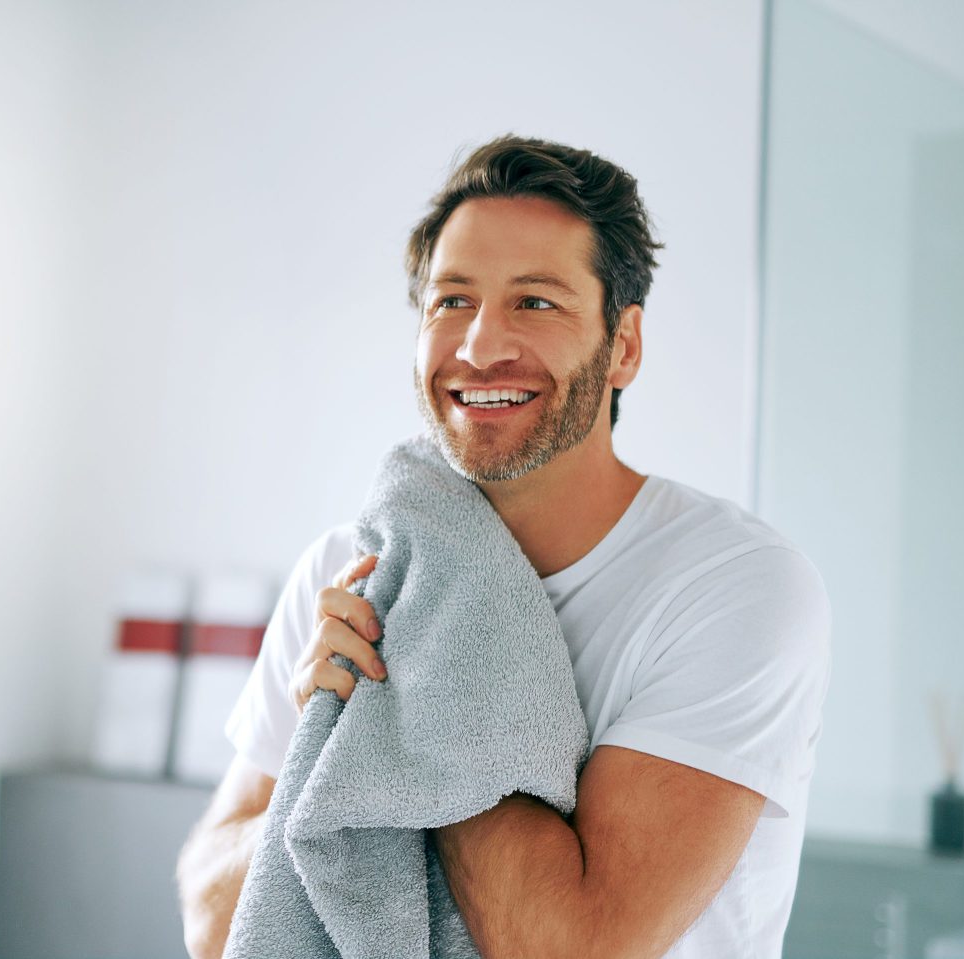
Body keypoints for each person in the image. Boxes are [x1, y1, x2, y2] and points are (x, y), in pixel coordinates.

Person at [175, 135, 831, 959]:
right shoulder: (350, 568)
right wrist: (333, 742)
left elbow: (567, 947)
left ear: (623, 345)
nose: (481, 346)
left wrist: (420, 673)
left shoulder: (733, 589)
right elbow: (209, 919)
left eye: (536, 302)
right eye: (452, 301)